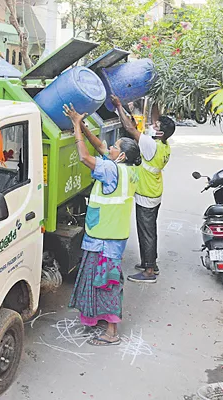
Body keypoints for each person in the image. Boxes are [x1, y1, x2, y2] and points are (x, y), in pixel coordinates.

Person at [64, 103, 141, 346]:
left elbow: (85, 156)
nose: (110, 148)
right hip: (110, 236)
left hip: (104, 239)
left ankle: (111, 333)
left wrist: (76, 127)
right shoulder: (129, 171)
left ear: (122, 155)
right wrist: (83, 125)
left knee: (106, 283)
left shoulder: (110, 170)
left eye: (115, 147)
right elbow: (99, 146)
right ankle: (99, 319)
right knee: (99, 279)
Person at [110, 95, 175, 283]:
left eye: (157, 126)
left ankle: (148, 271)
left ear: (161, 132)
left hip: (146, 195)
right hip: (154, 191)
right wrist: (155, 98)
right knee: (150, 229)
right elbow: (155, 120)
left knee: (146, 232)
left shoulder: (150, 144)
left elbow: (130, 129)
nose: (154, 126)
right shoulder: (164, 144)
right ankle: (150, 262)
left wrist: (119, 106)